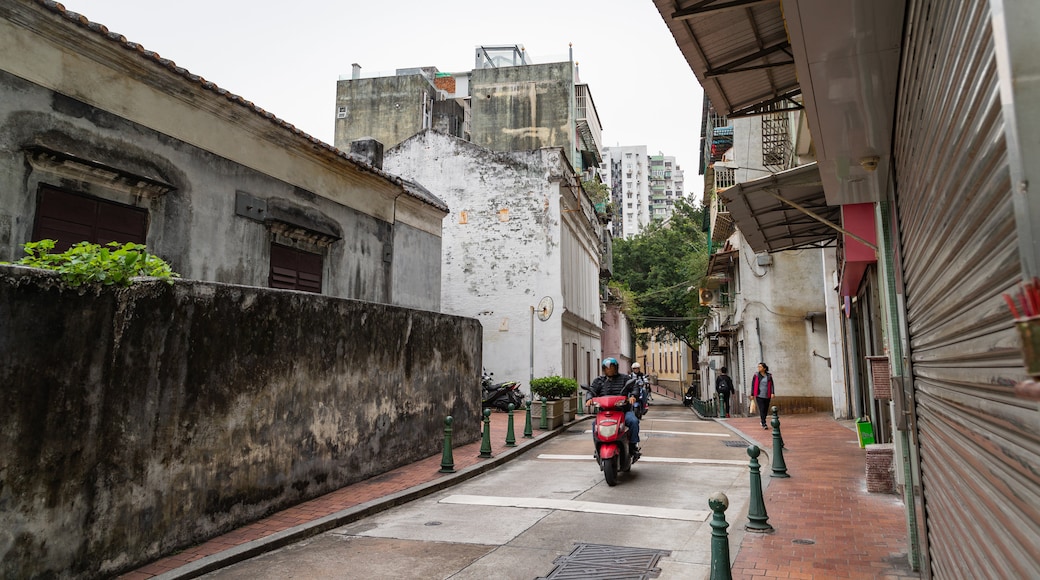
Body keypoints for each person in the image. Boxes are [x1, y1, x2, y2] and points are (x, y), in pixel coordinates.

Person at [586, 358, 641, 451]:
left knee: (633, 421)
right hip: (604, 412)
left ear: (616, 368)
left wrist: (633, 396)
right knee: (594, 424)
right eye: (607, 368)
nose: (609, 370)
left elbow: (634, 387)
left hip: (623, 411)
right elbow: (592, 390)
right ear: (604, 369)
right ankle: (598, 446)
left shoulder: (624, 378)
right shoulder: (599, 380)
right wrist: (589, 398)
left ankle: (633, 445)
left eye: (612, 367)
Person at [751, 362, 775, 429]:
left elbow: (772, 385)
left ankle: (763, 420)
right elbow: (753, 385)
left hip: (767, 395)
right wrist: (752, 394)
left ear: (764, 368)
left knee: (766, 409)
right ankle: (763, 423)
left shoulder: (769, 376)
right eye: (758, 367)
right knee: (762, 409)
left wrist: (772, 393)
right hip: (759, 395)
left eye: (760, 367)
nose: (759, 368)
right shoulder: (756, 375)